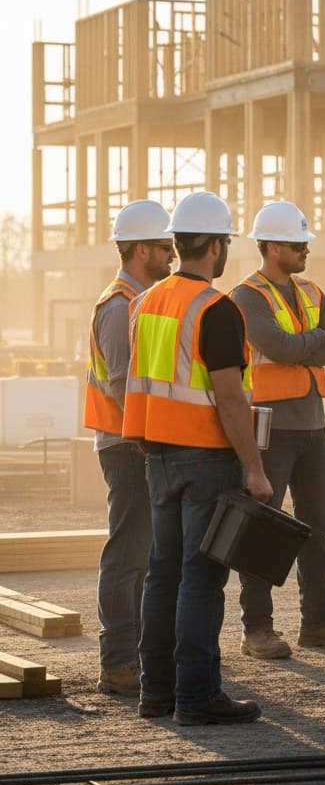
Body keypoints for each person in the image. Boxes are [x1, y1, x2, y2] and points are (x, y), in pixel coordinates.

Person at [123, 190, 273, 725]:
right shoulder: (216, 308)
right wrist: (254, 468)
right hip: (207, 458)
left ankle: (157, 692)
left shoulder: (146, 302)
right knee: (201, 579)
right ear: (215, 246)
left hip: (157, 456)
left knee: (162, 574)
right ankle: (197, 696)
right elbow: (230, 398)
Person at [231, 200, 325, 659]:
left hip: (312, 424)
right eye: (297, 244)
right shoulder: (247, 296)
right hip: (271, 426)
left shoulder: (311, 291)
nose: (306, 249)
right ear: (272, 247)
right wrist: (313, 342)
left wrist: (302, 345)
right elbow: (278, 347)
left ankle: (318, 622)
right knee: (262, 527)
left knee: (317, 528)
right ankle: (257, 629)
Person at [84, 200, 176, 697]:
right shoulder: (120, 307)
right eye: (165, 247)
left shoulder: (142, 301)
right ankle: (118, 661)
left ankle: (140, 655)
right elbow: (122, 387)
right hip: (127, 447)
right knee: (127, 555)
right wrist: (150, 442)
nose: (172, 255)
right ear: (141, 250)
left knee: (145, 554)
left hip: (141, 443)